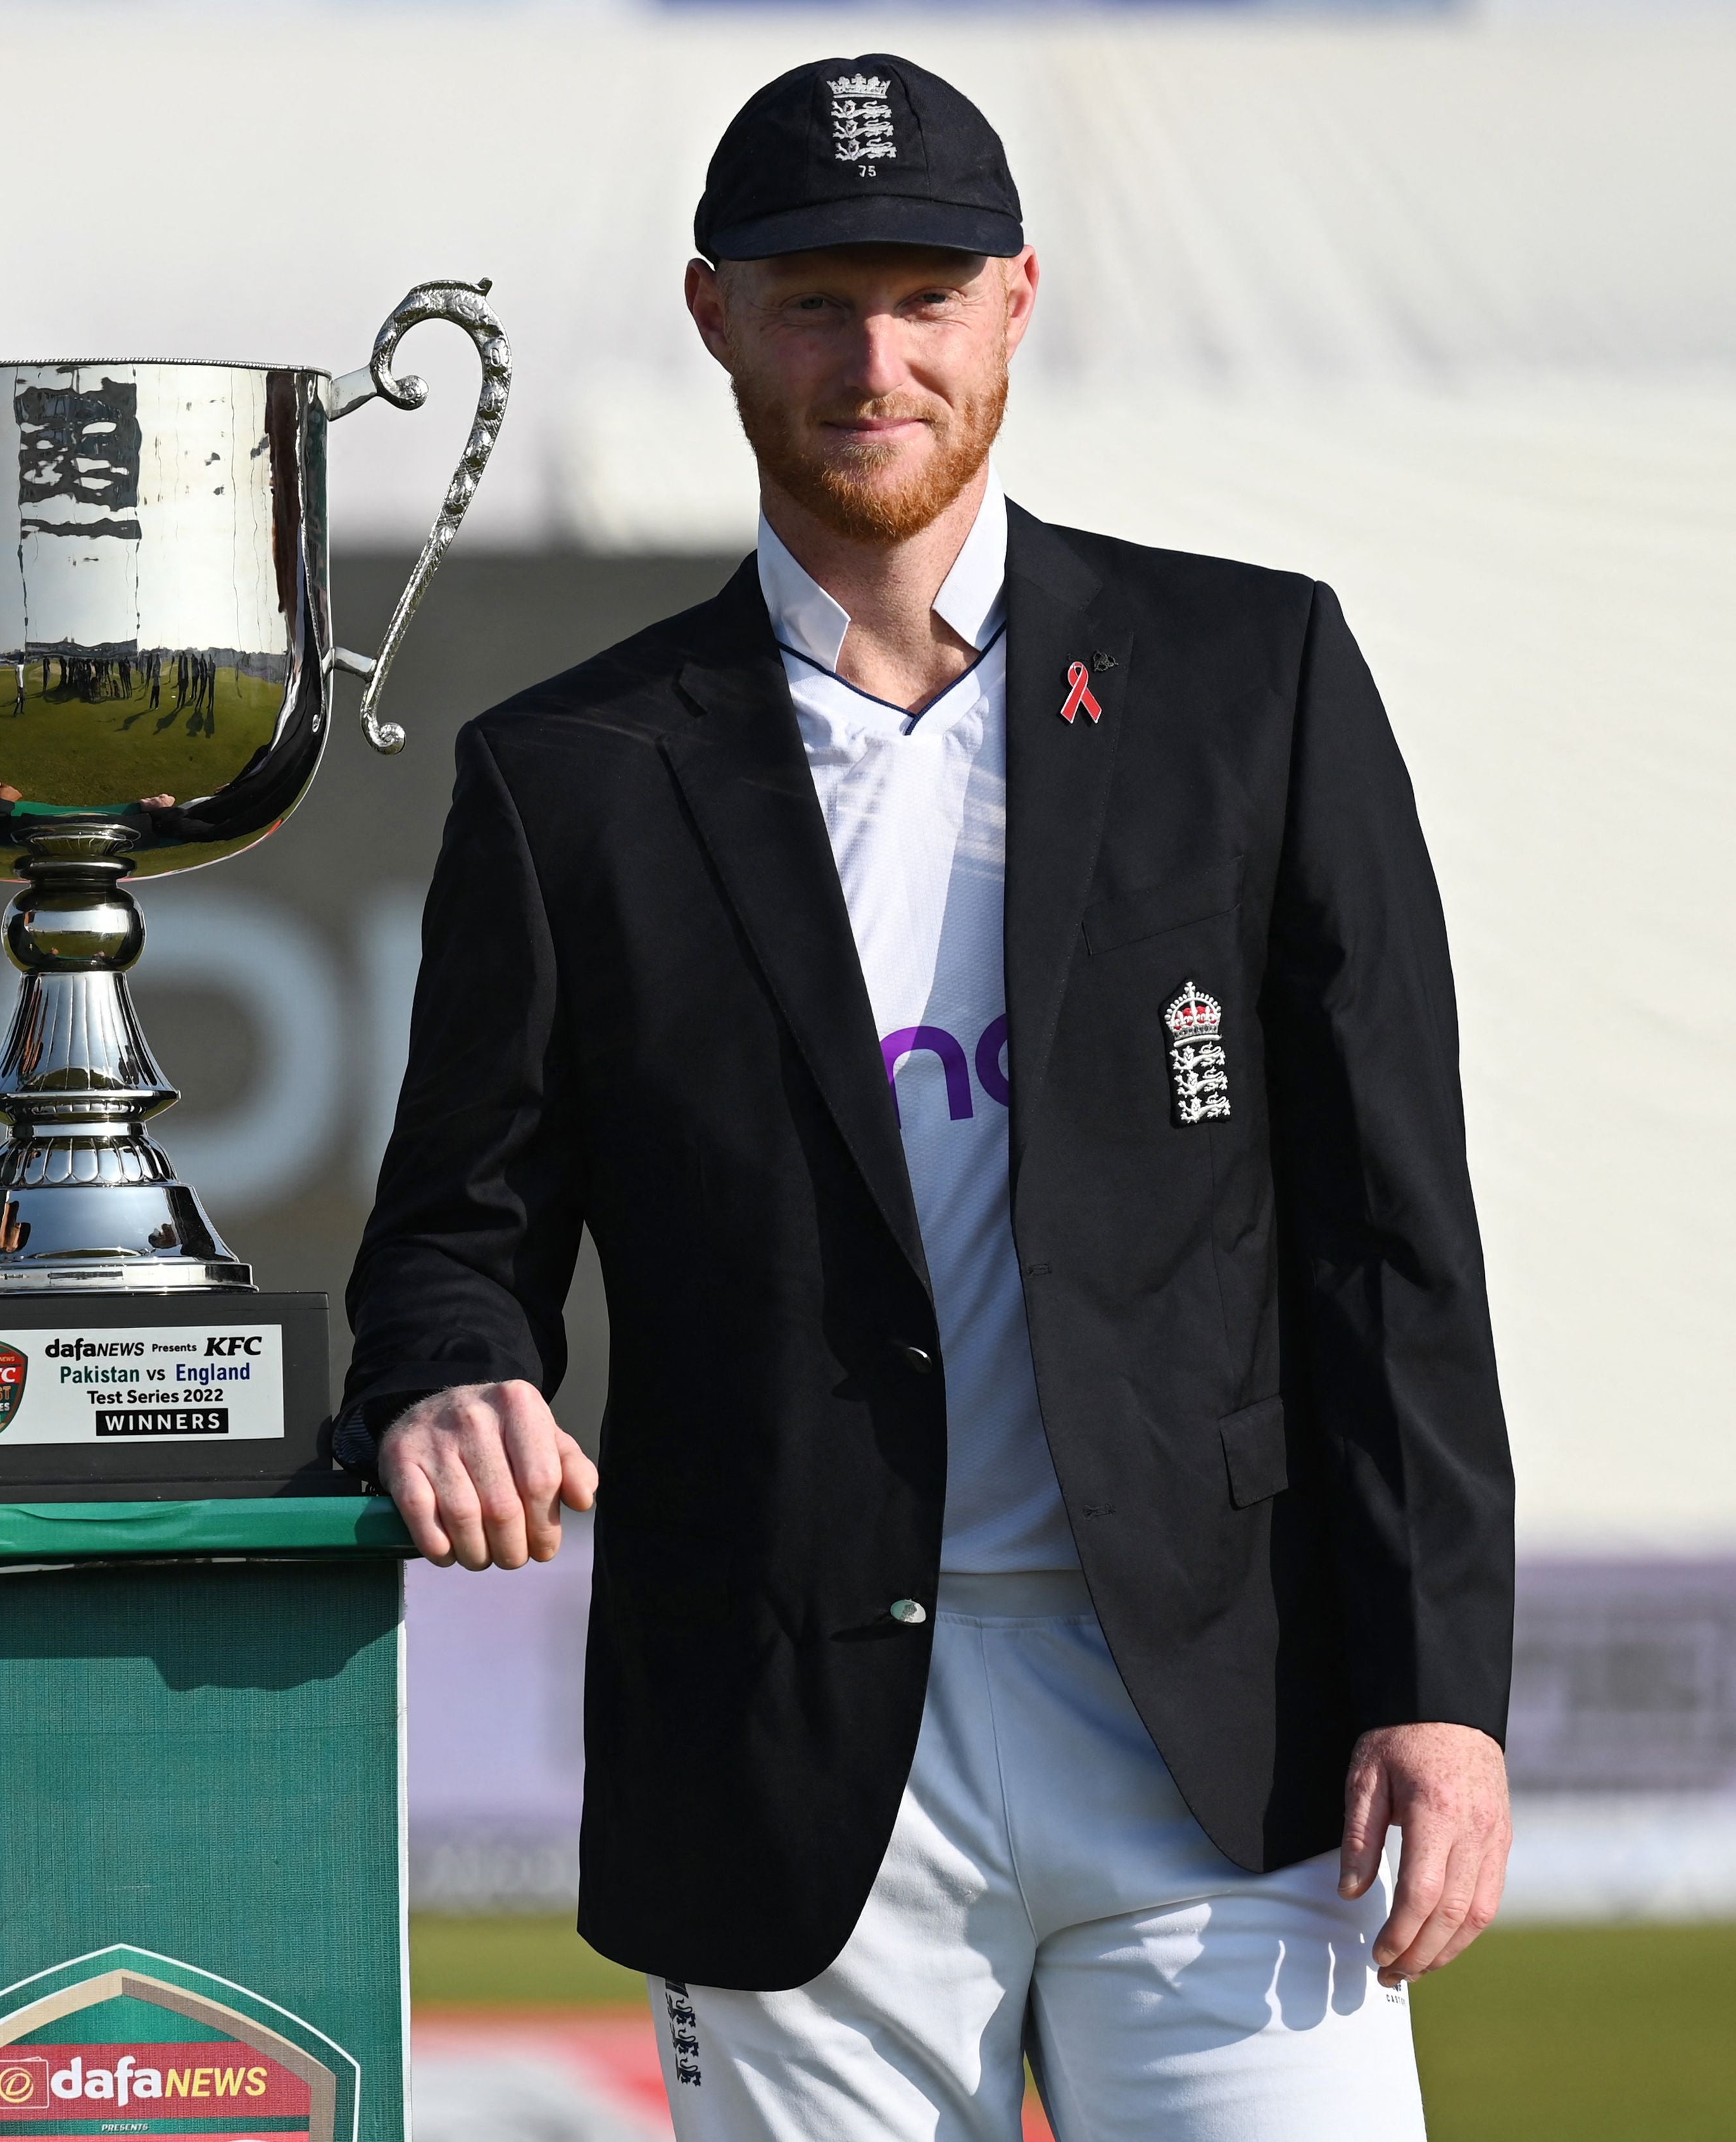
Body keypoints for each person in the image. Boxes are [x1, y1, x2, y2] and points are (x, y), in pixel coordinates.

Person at [333, 56, 1513, 2141]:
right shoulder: (573, 776)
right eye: (810, 301)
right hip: (788, 1744)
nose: (872, 357)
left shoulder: (1256, 680)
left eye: (923, 296)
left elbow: (1386, 1228)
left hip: (1225, 1732)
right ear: (712, 315)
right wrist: (448, 1376)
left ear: (1018, 301)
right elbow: (454, 1232)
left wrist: (1442, 1687)